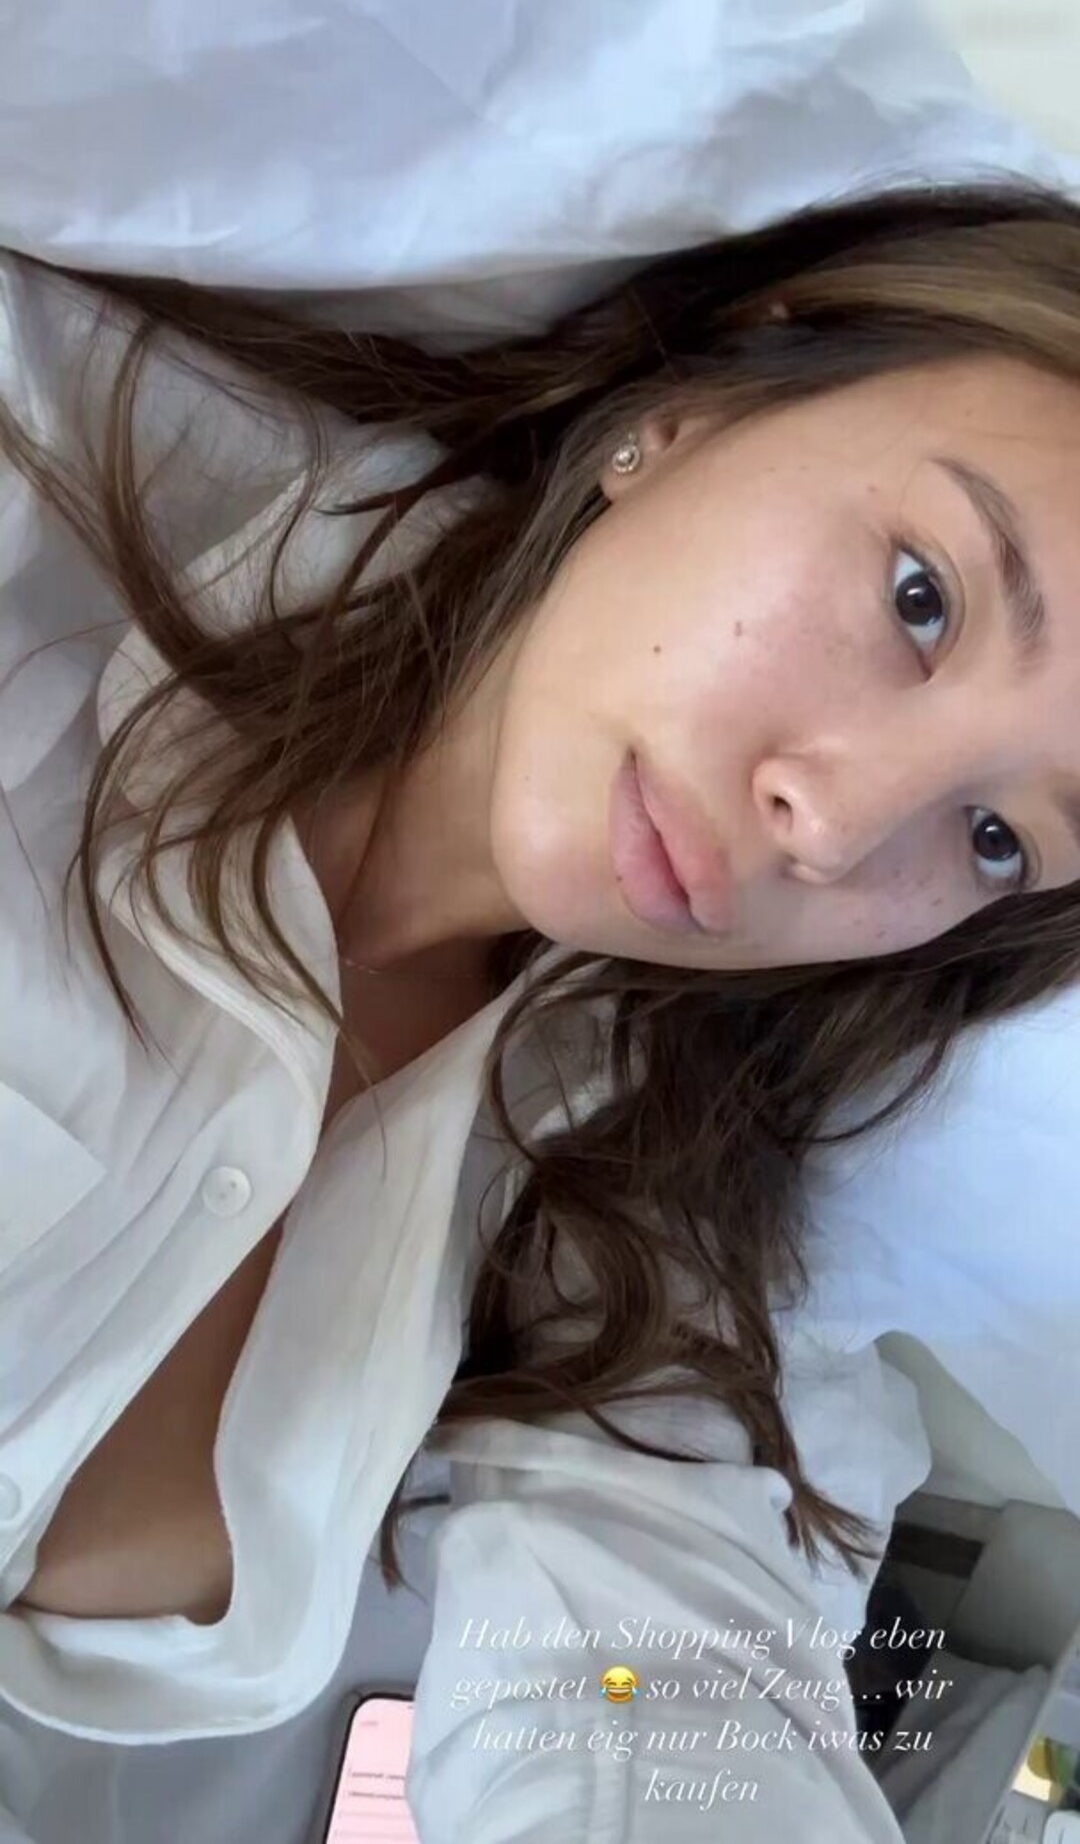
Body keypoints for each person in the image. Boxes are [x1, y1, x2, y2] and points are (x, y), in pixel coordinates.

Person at [2, 176, 1080, 1840]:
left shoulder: (631, 1206)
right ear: (695, 409)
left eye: (997, 836)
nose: (834, 823)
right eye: (921, 597)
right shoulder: (45, 542)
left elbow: (658, 1686)